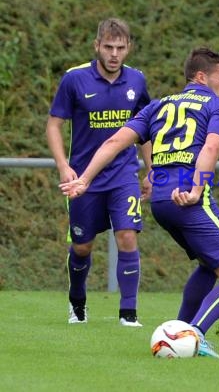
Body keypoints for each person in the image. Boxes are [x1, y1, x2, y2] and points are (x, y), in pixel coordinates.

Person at [59, 47, 219, 358]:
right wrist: (195, 189)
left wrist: (84, 178)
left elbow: (114, 142)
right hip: (189, 197)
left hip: (161, 201)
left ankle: (178, 333)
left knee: (209, 265)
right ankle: (196, 335)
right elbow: (211, 149)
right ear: (201, 77)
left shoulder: (158, 106)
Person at [46, 18, 151, 327]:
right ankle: (77, 303)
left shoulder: (137, 81)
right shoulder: (74, 79)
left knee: (127, 236)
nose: (114, 54)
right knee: (82, 246)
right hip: (82, 180)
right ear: (96, 46)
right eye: (108, 47)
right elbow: (54, 124)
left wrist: (151, 168)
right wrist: (64, 166)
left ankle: (128, 314)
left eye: (120, 47)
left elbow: (144, 128)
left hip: (123, 175)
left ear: (129, 48)